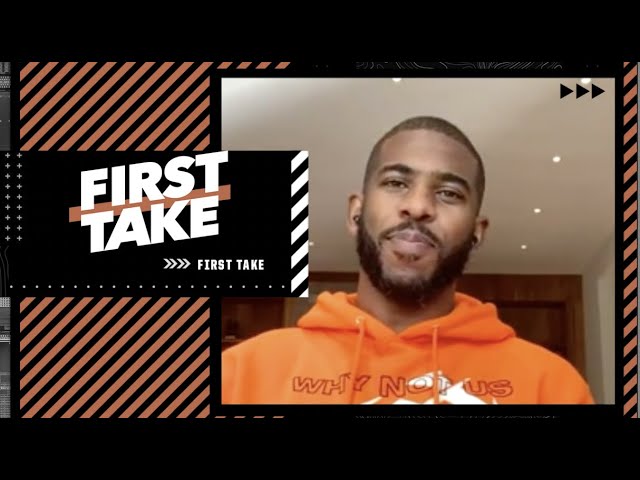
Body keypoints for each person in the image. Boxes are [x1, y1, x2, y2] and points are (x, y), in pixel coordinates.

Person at [221, 116, 595, 405]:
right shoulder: (240, 373)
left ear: (477, 232)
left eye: (449, 193)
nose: (418, 207)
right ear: (356, 213)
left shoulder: (551, 385)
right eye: (396, 183)